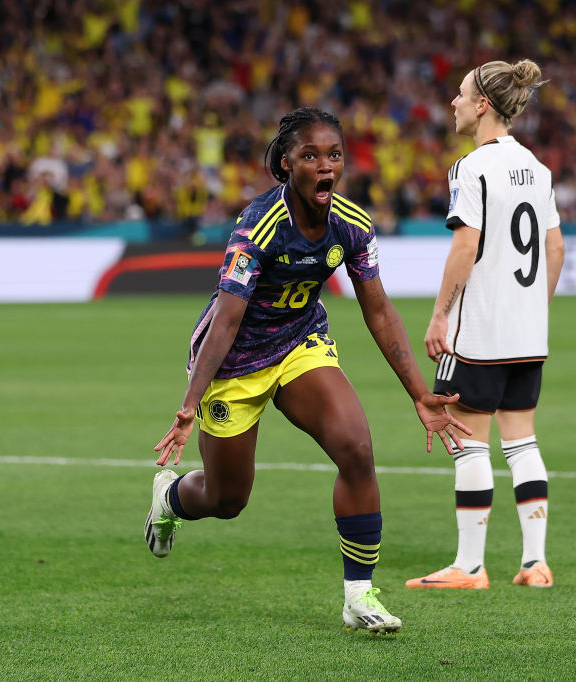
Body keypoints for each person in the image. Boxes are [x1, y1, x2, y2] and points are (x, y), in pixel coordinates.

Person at [146, 107, 471, 634]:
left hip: (300, 344)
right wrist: (188, 406)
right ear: (285, 165)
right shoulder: (258, 225)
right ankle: (170, 496)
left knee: (357, 447)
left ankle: (359, 595)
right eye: (310, 155)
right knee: (228, 500)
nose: (325, 166)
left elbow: (379, 309)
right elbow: (225, 321)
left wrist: (419, 393)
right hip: (235, 362)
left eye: (334, 155)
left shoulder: (351, 224)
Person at [404, 59, 565, 590]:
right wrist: (533, 307)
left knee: (469, 441)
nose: (452, 102)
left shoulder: (471, 168)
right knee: (522, 440)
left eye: (459, 94)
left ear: (482, 105)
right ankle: (535, 563)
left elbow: (466, 244)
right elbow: (555, 246)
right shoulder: (537, 168)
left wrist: (439, 312)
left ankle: (469, 567)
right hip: (527, 330)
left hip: (479, 330)